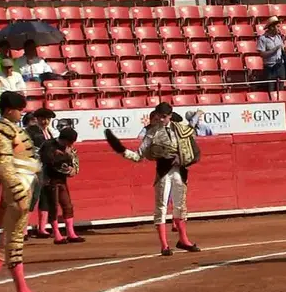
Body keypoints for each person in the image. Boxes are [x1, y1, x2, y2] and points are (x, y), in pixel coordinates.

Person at [105, 102, 201, 256]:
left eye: (164, 117)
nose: (161, 119)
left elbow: (192, 150)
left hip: (180, 171)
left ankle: (183, 240)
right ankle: (164, 245)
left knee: (180, 207)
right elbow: (138, 156)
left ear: (170, 116)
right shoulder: (151, 133)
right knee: (161, 207)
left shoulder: (181, 129)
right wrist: (121, 149)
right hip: (163, 172)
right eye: (158, 116)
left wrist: (184, 160)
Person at [0, 91, 49, 292]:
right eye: (19, 109)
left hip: (22, 187)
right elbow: (2, 166)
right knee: (15, 240)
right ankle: (22, 291)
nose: (21, 113)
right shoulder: (2, 130)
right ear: (10, 109)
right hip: (18, 190)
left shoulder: (11, 129)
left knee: (7, 239)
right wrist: (18, 192)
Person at [39, 128, 83, 244]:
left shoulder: (68, 148)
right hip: (49, 180)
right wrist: (66, 157)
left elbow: (75, 163)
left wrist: (73, 169)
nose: (71, 145)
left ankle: (71, 233)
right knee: (53, 207)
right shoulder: (48, 145)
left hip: (62, 180)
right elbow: (50, 162)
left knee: (67, 206)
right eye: (70, 142)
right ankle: (57, 235)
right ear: (64, 140)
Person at [25, 108, 58, 238]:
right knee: (32, 198)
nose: (46, 121)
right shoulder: (30, 131)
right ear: (37, 119)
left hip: (47, 169)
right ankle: (23, 230)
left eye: (48, 119)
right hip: (34, 168)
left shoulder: (50, 132)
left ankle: (42, 228)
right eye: (43, 119)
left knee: (45, 198)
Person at [257, 16, 286, 92]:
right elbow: (262, 54)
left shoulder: (279, 37)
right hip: (270, 68)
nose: (279, 28)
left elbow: (282, 49)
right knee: (271, 90)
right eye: (277, 26)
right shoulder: (263, 38)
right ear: (272, 27)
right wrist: (274, 49)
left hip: (280, 66)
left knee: (281, 91)